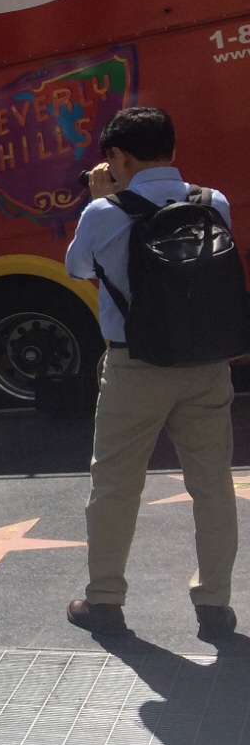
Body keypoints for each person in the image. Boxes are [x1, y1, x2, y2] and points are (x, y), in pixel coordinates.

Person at [64, 106, 239, 641]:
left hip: (135, 366)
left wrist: (99, 198)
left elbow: (77, 267)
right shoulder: (213, 202)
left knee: (116, 486)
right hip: (206, 364)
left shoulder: (104, 211)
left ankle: (105, 603)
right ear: (172, 148)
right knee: (213, 485)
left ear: (118, 156)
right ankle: (215, 606)